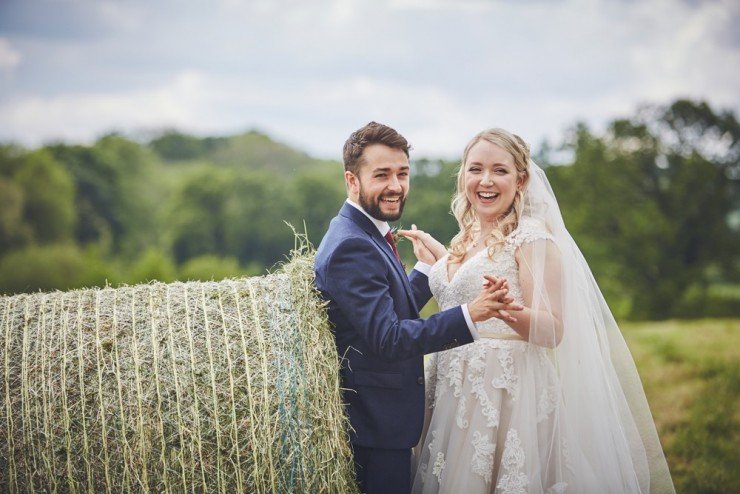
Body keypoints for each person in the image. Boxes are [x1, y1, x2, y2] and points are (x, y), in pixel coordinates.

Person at [400, 128, 675, 493]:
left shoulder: (532, 239)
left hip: (503, 394)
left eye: (500, 170)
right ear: (463, 175)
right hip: (449, 388)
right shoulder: (464, 238)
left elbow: (553, 330)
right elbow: (462, 287)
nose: (486, 180)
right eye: (475, 169)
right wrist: (439, 257)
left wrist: (506, 311)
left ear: (521, 179)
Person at [314, 122, 523, 494]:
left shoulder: (364, 230)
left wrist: (427, 271)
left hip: (385, 421)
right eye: (382, 175)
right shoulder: (352, 245)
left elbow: (385, 311)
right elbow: (390, 338)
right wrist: (468, 315)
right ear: (352, 180)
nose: (395, 186)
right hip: (375, 426)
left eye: (402, 173)